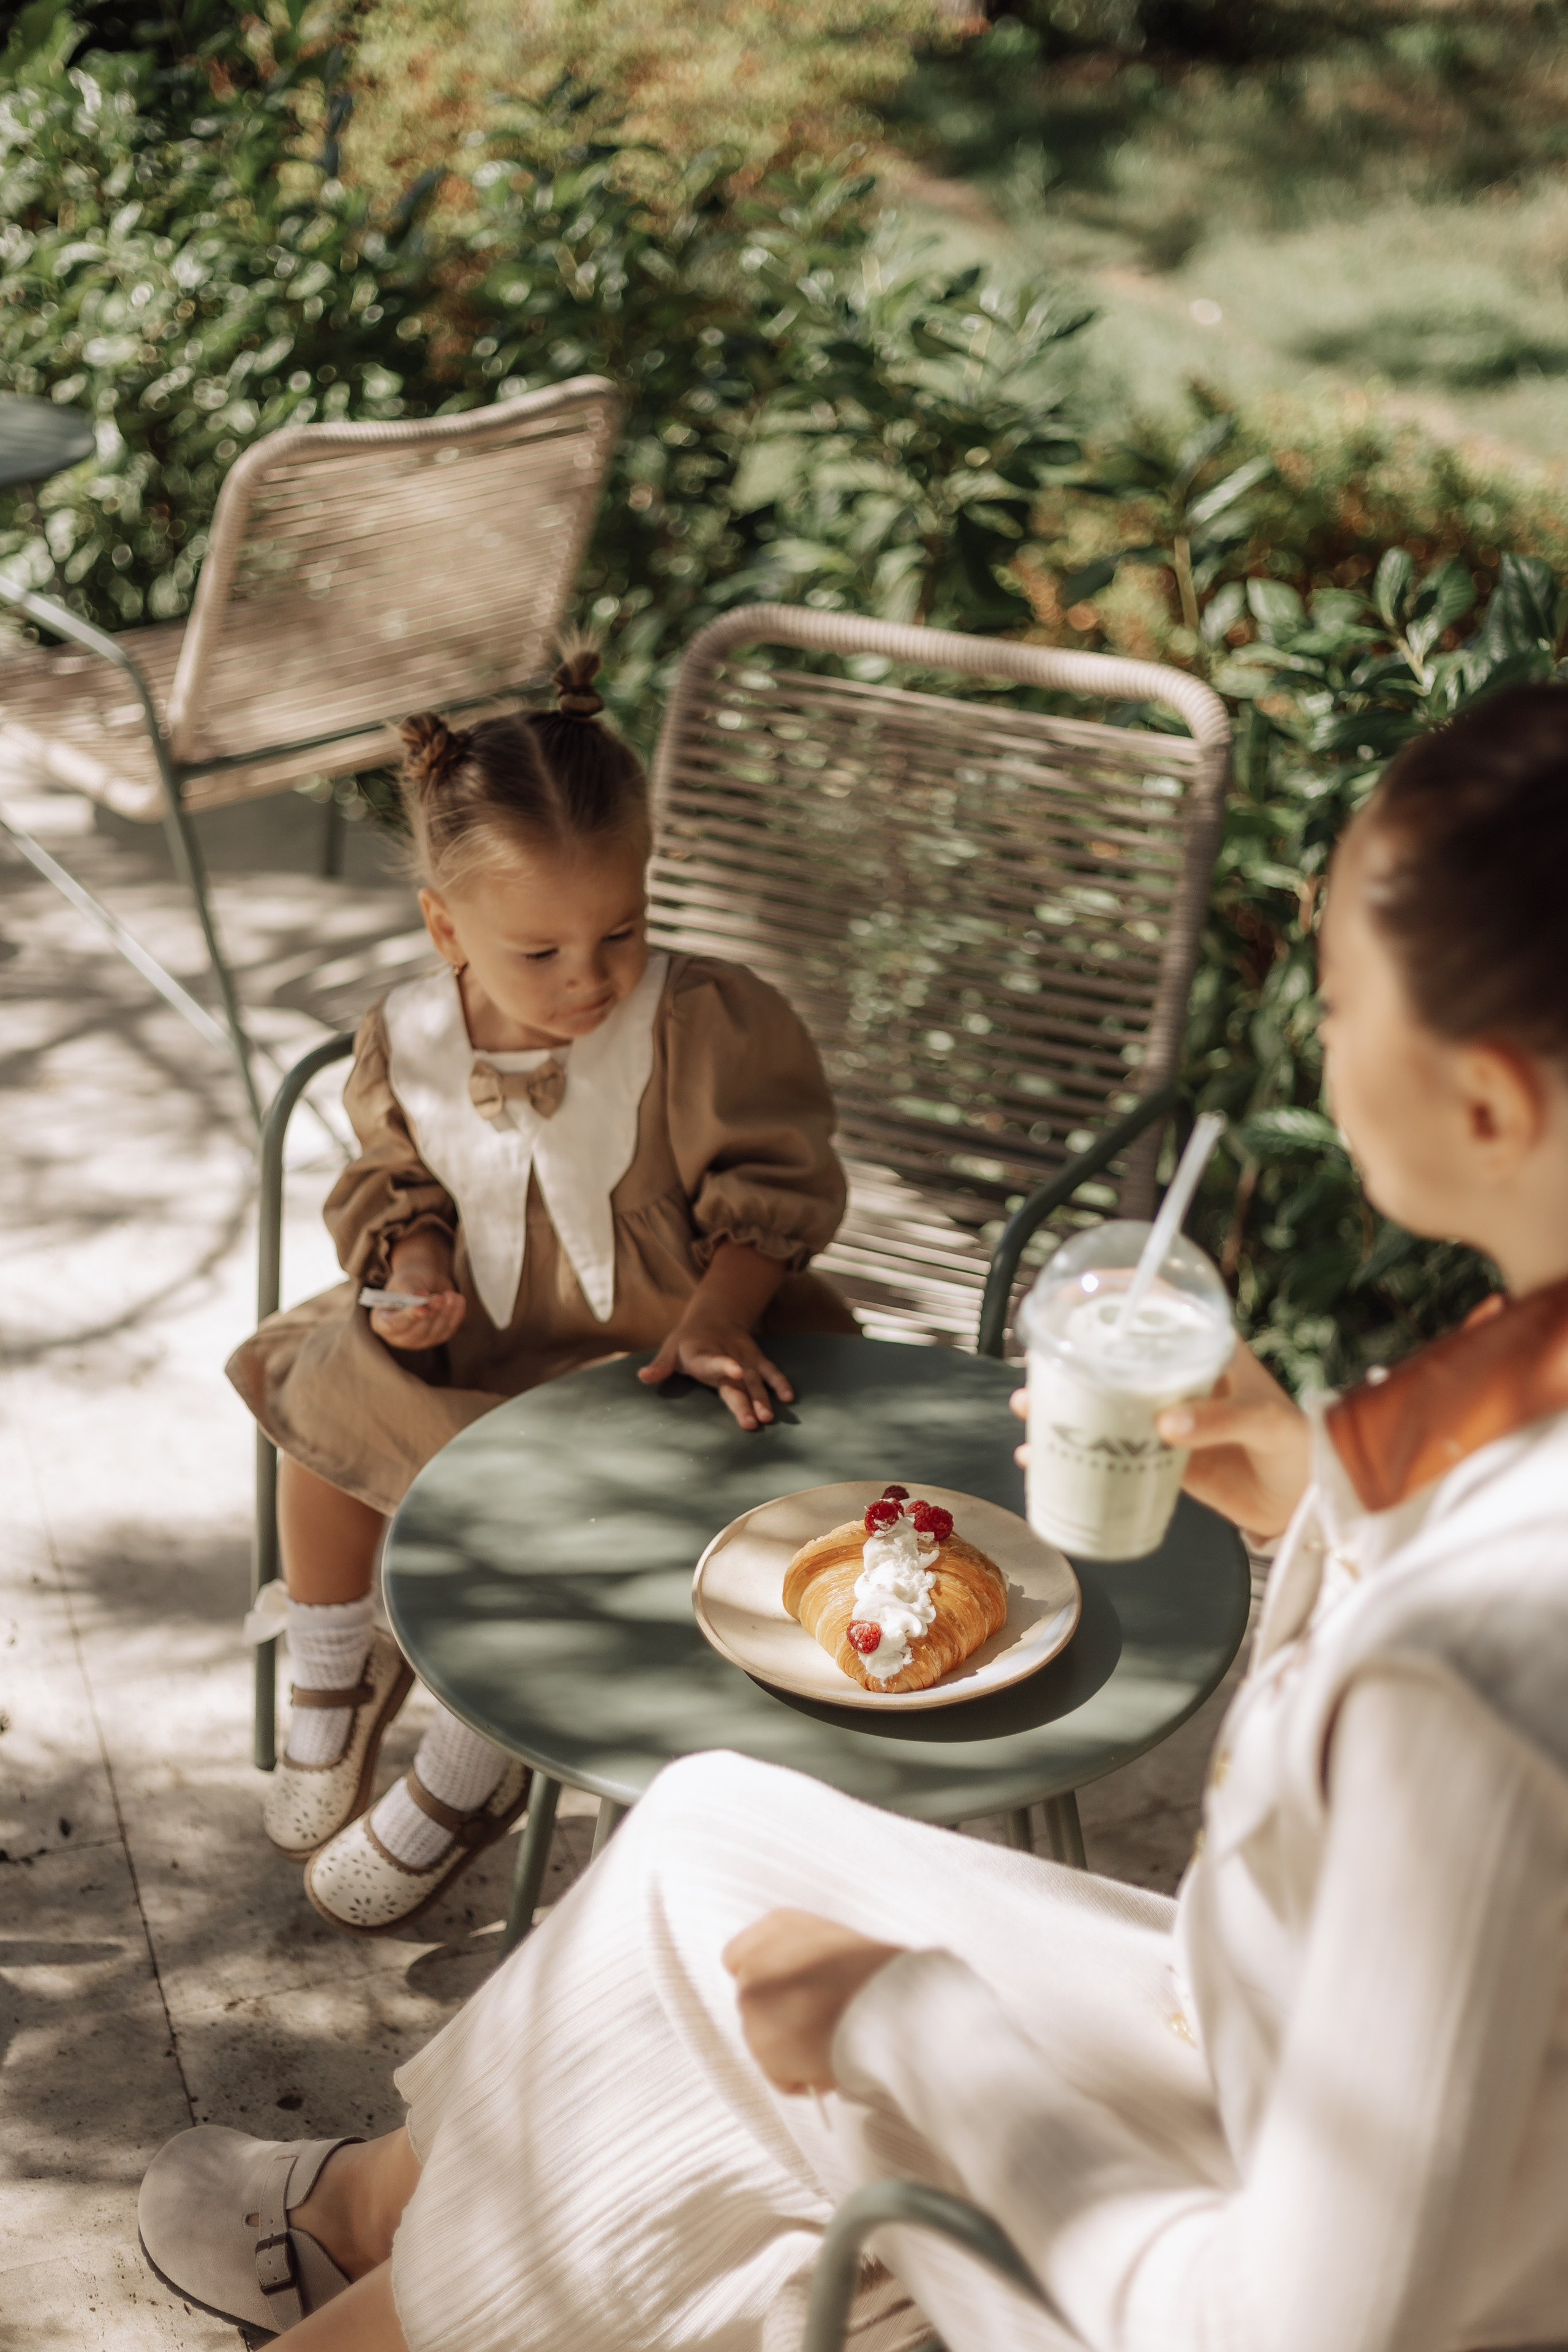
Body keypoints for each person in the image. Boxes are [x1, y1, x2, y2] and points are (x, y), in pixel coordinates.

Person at [146, 681, 1568, 2350]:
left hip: (1288, 2220)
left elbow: (1307, 2322)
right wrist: (1315, 1479)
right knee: (705, 1835)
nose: (1314, 1050)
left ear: (1485, 1105)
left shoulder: (1480, 1688)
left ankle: (372, 2283)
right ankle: (379, 2210)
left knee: (682, 2180)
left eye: (1333, 1002)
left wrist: (917, 2035)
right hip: (1276, 2050)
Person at [227, 644, 854, 1936]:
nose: (590, 979)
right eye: (542, 952)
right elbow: (399, 1182)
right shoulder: (405, 1036)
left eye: (619, 931)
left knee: (561, 1518)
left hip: (655, 1356)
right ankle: (334, 1668)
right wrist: (415, 1269)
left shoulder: (705, 1023)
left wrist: (721, 1309)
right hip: (491, 1353)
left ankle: (477, 1760)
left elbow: (771, 1193)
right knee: (323, 1383)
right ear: (446, 929)